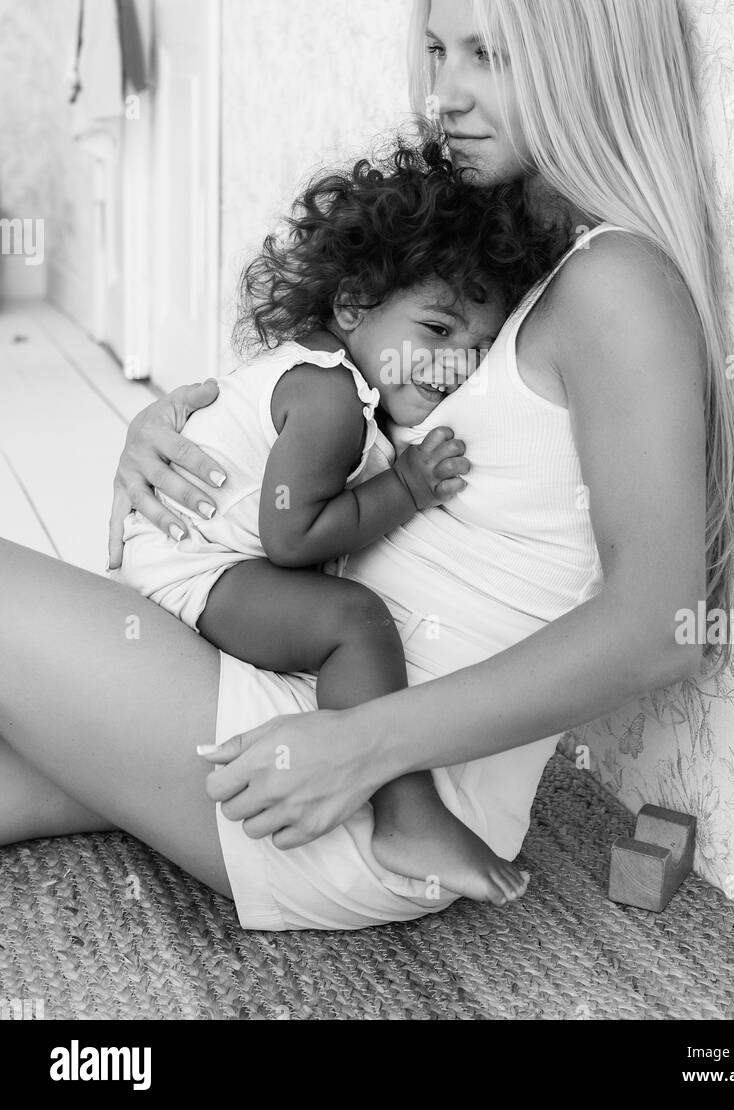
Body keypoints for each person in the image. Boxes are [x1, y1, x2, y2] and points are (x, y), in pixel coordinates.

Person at [0, 0, 734, 932]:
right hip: (295, 680)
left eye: (489, 54)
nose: (447, 93)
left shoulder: (617, 286)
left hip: (375, 781)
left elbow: (663, 627)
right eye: (439, 52)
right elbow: (319, 395)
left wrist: (364, 746)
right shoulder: (483, 248)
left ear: (588, 57)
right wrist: (159, 432)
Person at [111, 140, 569, 904]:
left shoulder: (335, 373)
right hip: (190, 567)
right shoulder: (330, 404)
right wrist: (409, 489)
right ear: (353, 305)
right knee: (354, 621)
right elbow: (293, 537)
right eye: (436, 329)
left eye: (479, 348)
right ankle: (407, 810)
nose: (456, 364)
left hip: (191, 554)